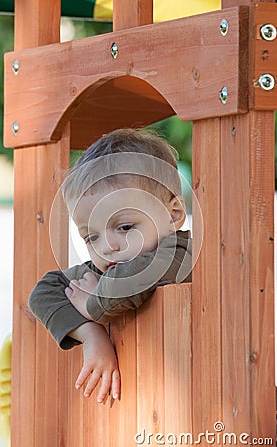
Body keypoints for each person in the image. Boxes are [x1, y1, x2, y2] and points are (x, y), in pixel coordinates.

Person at [29, 128, 192, 404]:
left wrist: (92, 304)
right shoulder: (102, 269)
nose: (108, 246)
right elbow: (43, 292)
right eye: (91, 236)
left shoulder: (179, 253)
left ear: (172, 214)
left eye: (125, 226)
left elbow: (132, 281)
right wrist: (91, 333)